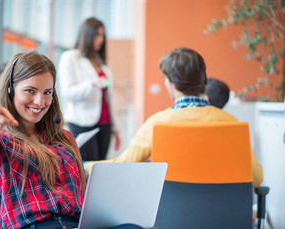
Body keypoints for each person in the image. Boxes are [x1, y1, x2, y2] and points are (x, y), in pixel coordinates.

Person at [0, 51, 148, 229]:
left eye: (47, 93)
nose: (40, 101)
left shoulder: (64, 138)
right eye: (30, 91)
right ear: (10, 90)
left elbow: (82, 196)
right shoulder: (0, 139)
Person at [84, 47, 263, 188]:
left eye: (165, 78)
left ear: (173, 84)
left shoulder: (157, 124)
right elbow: (256, 179)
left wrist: (86, 165)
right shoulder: (232, 123)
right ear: (204, 81)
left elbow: (122, 166)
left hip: (172, 224)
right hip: (227, 228)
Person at [58, 17, 120, 161]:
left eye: (102, 35)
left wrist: (116, 129)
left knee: (100, 167)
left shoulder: (101, 62)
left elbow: (109, 99)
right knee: (86, 168)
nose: (101, 39)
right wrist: (91, 84)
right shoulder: (70, 57)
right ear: (87, 35)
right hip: (83, 122)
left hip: (105, 123)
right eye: (97, 35)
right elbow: (68, 92)